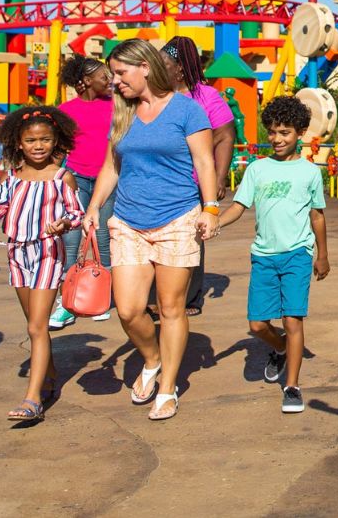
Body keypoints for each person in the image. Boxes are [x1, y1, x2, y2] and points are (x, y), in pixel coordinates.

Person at [84, 40, 219, 421]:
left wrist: (210, 208)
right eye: (112, 74)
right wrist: (93, 207)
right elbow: (111, 166)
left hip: (177, 219)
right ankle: (152, 359)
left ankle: (168, 386)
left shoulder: (186, 110)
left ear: (144, 68)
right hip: (128, 220)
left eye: (121, 73)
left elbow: (204, 162)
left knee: (171, 307)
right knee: (128, 310)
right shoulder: (122, 112)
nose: (115, 81)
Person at [195, 95, 330, 414]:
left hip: (297, 254)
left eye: (284, 132)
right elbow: (240, 207)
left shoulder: (309, 173)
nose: (277, 138)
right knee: (257, 325)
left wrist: (322, 256)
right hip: (264, 257)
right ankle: (282, 348)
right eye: (272, 132)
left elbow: (318, 217)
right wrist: (215, 221)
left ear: (299, 133)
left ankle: (293, 386)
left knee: (292, 320)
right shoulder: (257, 169)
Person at [0, 105, 85, 422]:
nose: (38, 146)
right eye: (31, 140)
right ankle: (49, 377)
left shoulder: (62, 177)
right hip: (16, 254)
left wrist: (63, 223)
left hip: (48, 254)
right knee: (33, 323)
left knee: (37, 326)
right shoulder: (12, 177)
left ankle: (32, 398)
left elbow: (76, 212)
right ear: (18, 143)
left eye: (45, 140)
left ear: (56, 142)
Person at [163, 36, 235, 317]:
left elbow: (226, 135)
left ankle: (191, 297)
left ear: (179, 68)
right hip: (160, 181)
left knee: (191, 238)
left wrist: (218, 179)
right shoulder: (155, 93)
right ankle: (160, 294)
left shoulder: (205, 96)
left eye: (163, 63)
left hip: (193, 181)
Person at [50, 55, 115, 327]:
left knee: (103, 240)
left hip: (107, 182)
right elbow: (58, 149)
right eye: (104, 76)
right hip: (75, 179)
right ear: (87, 80)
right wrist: (57, 178)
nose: (109, 80)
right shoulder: (66, 110)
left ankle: (101, 299)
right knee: (72, 241)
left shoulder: (117, 106)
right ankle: (68, 303)